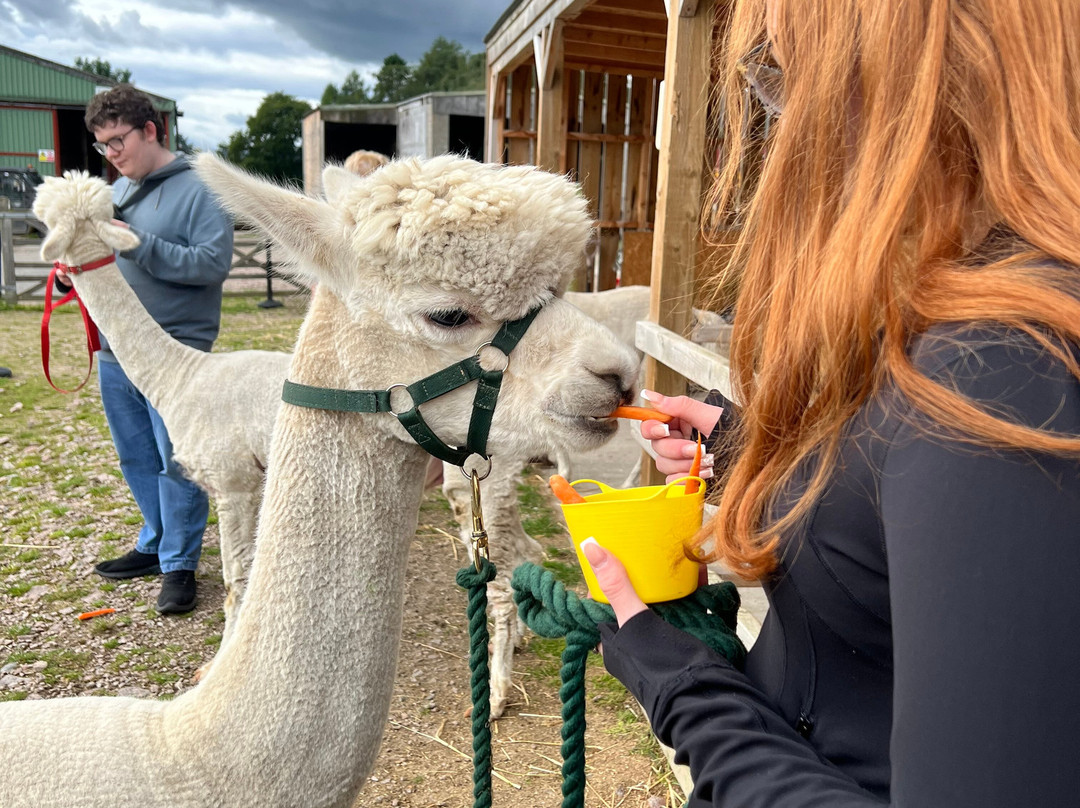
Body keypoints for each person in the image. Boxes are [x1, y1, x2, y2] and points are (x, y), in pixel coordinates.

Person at [584, 1, 1080, 805]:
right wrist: (745, 446)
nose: (785, 128)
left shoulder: (1004, 373)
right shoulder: (970, 318)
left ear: (900, 70)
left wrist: (681, 684)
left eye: (786, 78)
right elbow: (900, 527)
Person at [73, 84, 233, 614]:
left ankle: (179, 564)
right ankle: (155, 542)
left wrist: (138, 244)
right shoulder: (113, 192)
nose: (112, 154)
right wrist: (71, 275)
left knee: (176, 458)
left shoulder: (201, 189)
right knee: (136, 453)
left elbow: (212, 264)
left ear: (150, 130)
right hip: (119, 350)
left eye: (119, 141)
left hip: (177, 349)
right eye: (102, 146)